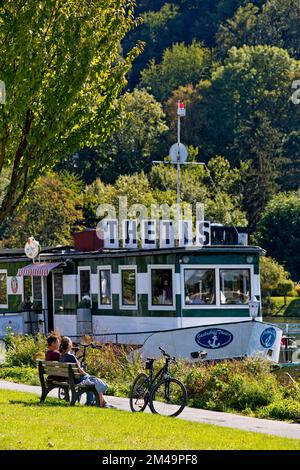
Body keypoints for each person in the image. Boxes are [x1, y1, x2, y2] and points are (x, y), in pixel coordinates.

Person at [59, 336, 115, 408]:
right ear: (69, 345)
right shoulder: (71, 356)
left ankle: (102, 403)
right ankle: (100, 403)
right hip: (77, 380)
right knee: (94, 380)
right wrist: (87, 375)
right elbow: (80, 371)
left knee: (93, 380)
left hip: (69, 380)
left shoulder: (61, 357)